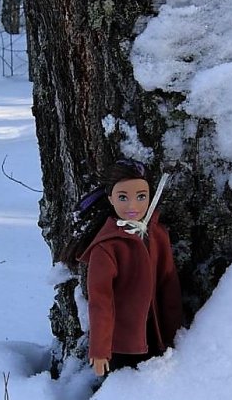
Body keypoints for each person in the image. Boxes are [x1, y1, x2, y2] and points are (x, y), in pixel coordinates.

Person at [63, 159, 182, 376]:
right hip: (122, 343)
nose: (132, 206)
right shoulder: (106, 247)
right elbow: (100, 301)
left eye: (141, 196)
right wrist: (100, 349)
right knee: (124, 386)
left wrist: (176, 333)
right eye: (123, 197)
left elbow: (168, 285)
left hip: (156, 334)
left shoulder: (157, 235)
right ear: (110, 199)